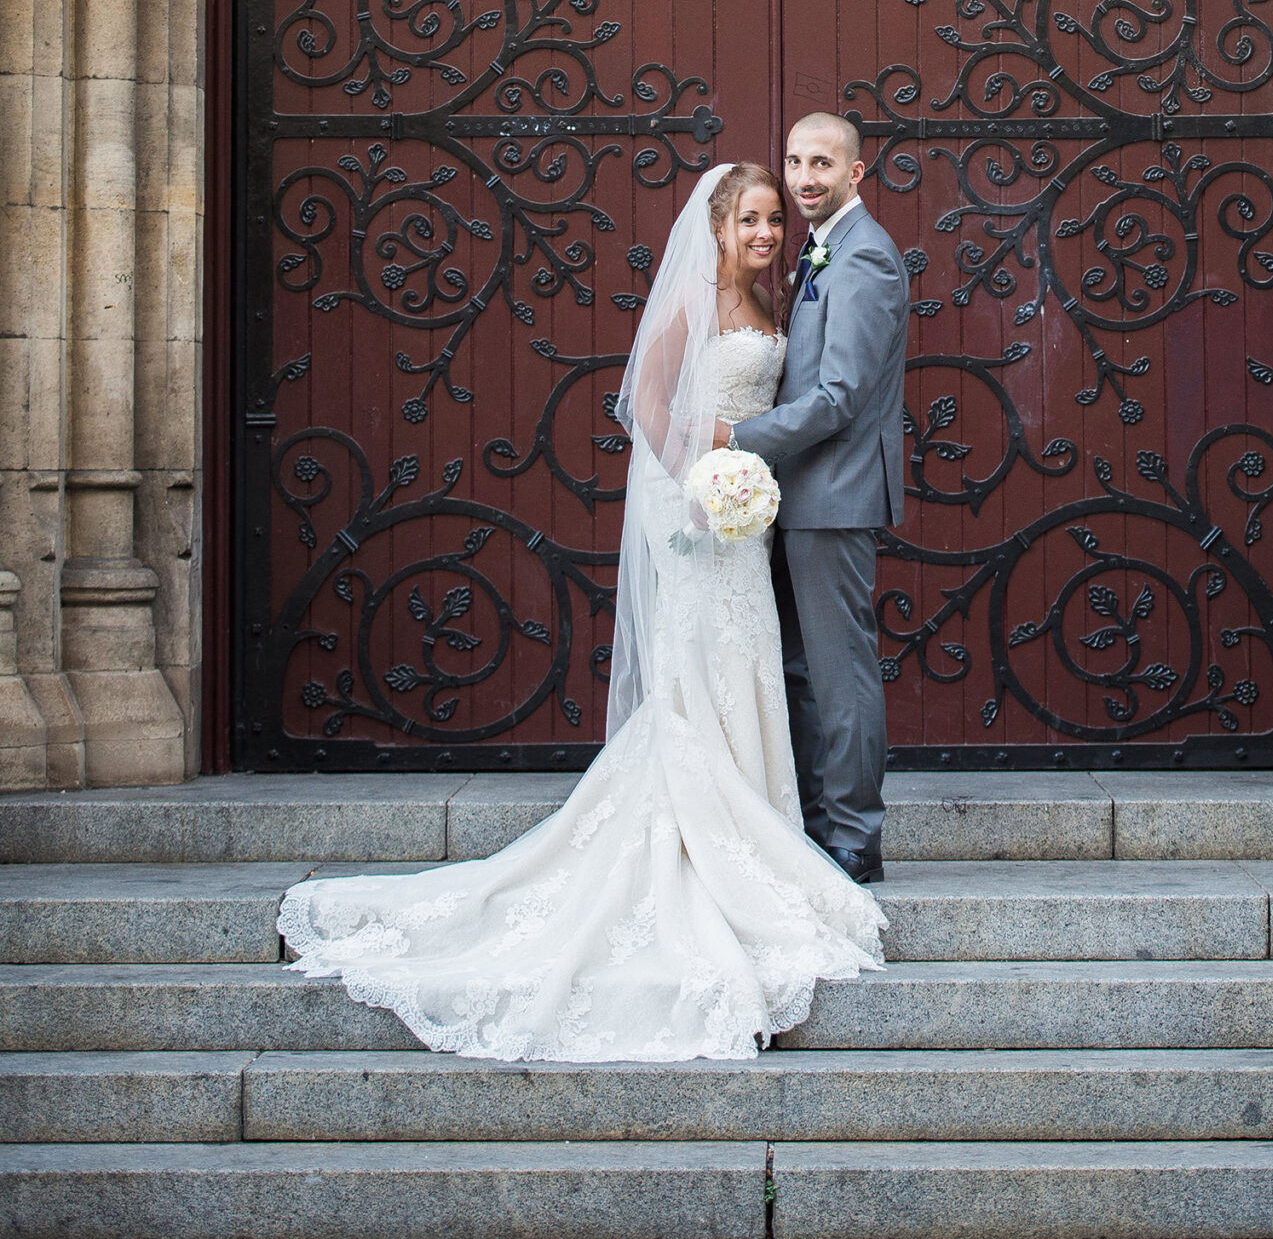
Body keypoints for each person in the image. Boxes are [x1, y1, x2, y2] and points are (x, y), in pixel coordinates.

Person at [276, 161, 883, 1062]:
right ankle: (706, 832)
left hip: (744, 527)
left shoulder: (779, 298)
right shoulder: (690, 306)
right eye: (750, 219)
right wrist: (710, 478)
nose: (765, 233)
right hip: (700, 519)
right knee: (701, 674)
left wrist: (738, 485)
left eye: (772, 221)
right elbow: (646, 407)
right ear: (716, 226)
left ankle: (759, 829)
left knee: (747, 666)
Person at [716, 112, 910, 884]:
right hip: (799, 499)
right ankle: (817, 824)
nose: (803, 178)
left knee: (840, 674)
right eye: (794, 160)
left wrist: (737, 438)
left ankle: (856, 840)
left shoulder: (865, 259)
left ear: (856, 173)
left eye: (821, 163)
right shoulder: (822, 250)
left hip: (834, 498)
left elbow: (838, 396)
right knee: (797, 669)